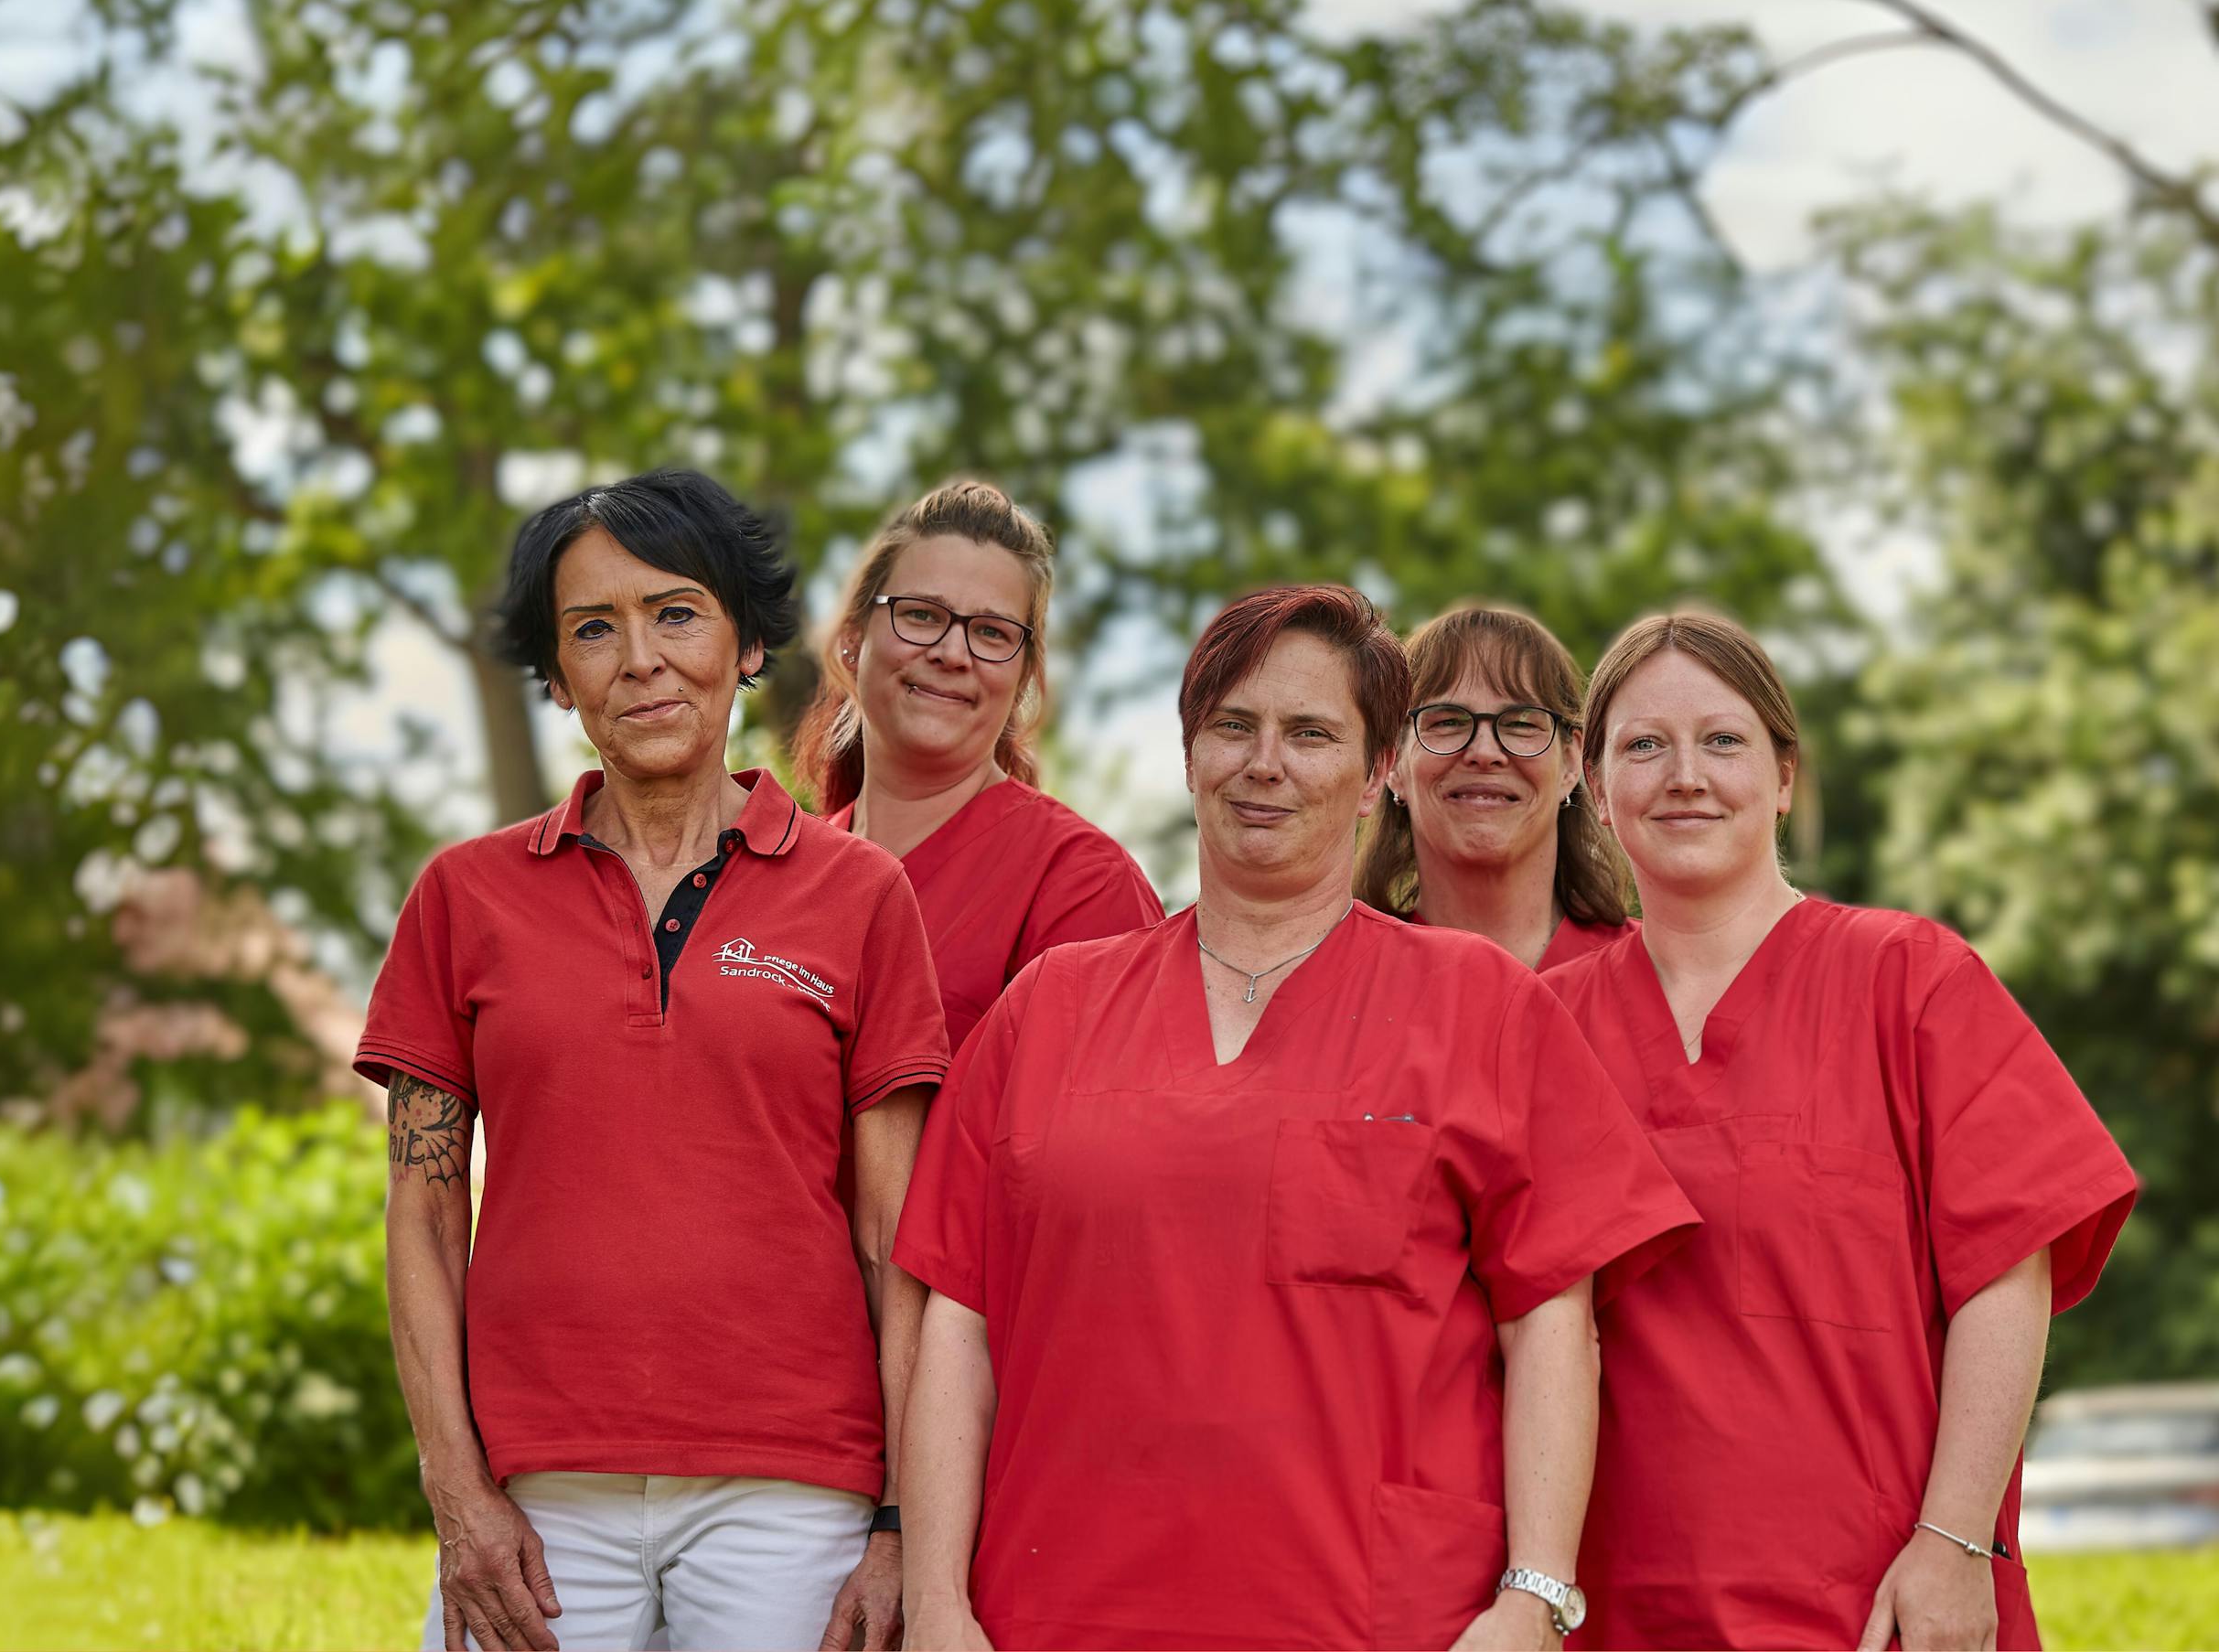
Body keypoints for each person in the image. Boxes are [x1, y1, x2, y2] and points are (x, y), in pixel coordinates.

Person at [893, 582, 1699, 1651]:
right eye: (1234, 727)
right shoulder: (1049, 1005)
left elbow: (1553, 1316)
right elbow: (960, 1320)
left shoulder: (1479, 1005)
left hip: (1377, 1619)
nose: (1264, 763)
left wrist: (1533, 1598)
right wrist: (941, 1603)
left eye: (1311, 733)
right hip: (1057, 1614)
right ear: (1190, 758)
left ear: (1377, 777)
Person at [360, 467, 955, 1652]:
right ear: (556, 676)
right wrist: (458, 1494)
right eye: (594, 628)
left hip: (792, 1493)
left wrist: (900, 1523)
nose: (640, 657)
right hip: (534, 1498)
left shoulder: (861, 897)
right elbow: (424, 1217)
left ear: (745, 644)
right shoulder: (463, 898)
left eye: (676, 612)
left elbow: (899, 1242)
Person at [1548, 609, 2137, 1650]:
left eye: (1723, 741)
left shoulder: (1909, 979)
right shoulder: (1545, 1026)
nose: (1686, 773)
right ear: (1596, 790)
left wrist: (1955, 1543)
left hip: (1877, 1607)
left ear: (1784, 779)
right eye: (1645, 745)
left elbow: (2010, 1268)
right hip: (1615, 1615)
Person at [799, 477, 1163, 1048]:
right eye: (920, 615)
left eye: (991, 632)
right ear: (852, 639)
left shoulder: (1083, 886)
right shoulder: (783, 872)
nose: (951, 653)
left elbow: (1101, 1128)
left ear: (1021, 680)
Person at [1356, 602, 1635, 971]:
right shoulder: (1339, 975)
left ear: (1571, 763)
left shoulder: (1658, 974)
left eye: (1521, 723)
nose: (1485, 753)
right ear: (1392, 764)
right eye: (1448, 721)